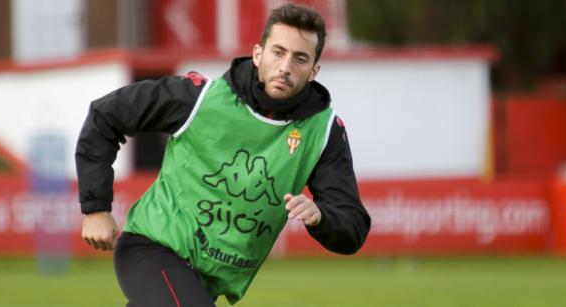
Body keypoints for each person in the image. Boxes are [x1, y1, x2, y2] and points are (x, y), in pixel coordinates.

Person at [75, 3, 370, 306]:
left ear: (313, 71)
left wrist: (322, 217)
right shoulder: (200, 98)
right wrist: (95, 208)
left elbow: (353, 228)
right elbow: (105, 115)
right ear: (258, 54)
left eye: (300, 59)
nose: (285, 67)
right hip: (151, 250)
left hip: (203, 282)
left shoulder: (323, 133)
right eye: (278, 52)